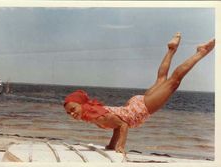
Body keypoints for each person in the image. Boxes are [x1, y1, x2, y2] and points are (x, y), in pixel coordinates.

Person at [63, 33, 215, 154]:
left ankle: (201, 52)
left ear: (83, 104)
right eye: (69, 112)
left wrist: (120, 147)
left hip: (140, 109)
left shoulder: (98, 115)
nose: (71, 114)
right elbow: (116, 126)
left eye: (73, 109)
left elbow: (122, 125)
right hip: (135, 104)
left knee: (173, 82)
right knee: (162, 79)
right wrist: (111, 146)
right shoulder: (93, 114)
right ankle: (171, 49)